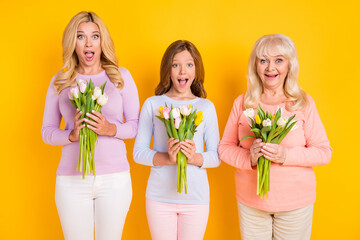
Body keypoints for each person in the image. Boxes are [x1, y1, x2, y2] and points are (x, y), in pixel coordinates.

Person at [218, 34, 332, 240]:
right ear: (255, 66)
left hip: (295, 204)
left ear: (289, 65)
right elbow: (224, 147)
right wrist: (249, 158)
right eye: (264, 61)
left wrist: (285, 156)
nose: (271, 68)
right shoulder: (243, 103)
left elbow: (324, 152)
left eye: (279, 60)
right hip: (251, 203)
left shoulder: (303, 103)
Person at [41, 11, 139, 240]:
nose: (88, 43)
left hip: (115, 180)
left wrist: (111, 129)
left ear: (102, 41)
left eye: (95, 36)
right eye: (81, 36)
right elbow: (47, 132)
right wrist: (72, 135)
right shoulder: (61, 81)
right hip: (71, 181)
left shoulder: (120, 77)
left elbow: (135, 126)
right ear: (72, 42)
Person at [133, 40, 220, 240]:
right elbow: (138, 153)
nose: (182, 71)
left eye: (189, 64)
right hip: (159, 198)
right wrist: (168, 158)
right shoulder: (153, 104)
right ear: (168, 70)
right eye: (175, 65)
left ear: (196, 70)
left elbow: (215, 156)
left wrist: (193, 157)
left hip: (196, 199)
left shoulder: (206, 107)